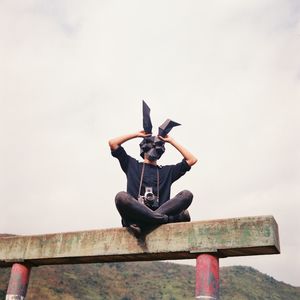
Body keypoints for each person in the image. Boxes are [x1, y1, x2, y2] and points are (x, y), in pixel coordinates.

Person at [109, 129, 197, 237]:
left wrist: (171, 141)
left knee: (187, 194)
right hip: (136, 216)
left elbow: (192, 159)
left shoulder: (166, 171)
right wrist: (137, 134)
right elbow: (113, 143)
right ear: (143, 148)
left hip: (138, 224)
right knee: (121, 197)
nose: (153, 148)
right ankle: (163, 219)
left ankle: (148, 220)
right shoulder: (131, 165)